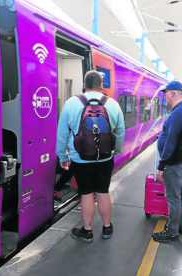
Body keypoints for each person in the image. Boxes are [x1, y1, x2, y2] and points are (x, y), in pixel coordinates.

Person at [56, 71, 125, 242]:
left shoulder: (71, 103)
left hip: (80, 158)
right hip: (105, 158)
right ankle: (107, 228)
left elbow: (62, 133)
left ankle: (87, 231)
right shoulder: (113, 104)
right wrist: (114, 151)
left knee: (86, 193)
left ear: (84, 85)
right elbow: (120, 132)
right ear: (102, 85)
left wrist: (62, 156)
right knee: (103, 191)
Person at [152, 81, 182, 243]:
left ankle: (172, 232)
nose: (164, 97)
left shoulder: (177, 113)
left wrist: (162, 165)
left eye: (165, 93)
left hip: (174, 162)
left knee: (173, 197)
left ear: (172, 93)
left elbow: (171, 141)